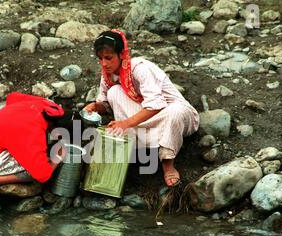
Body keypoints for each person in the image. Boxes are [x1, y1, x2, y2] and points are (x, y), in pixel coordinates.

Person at [83, 29, 199, 187]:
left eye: (108, 58)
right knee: (114, 92)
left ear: (121, 54)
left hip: (172, 113)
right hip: (144, 117)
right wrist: (95, 107)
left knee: (176, 111)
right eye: (101, 59)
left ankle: (167, 163)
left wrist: (125, 124)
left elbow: (156, 104)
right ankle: (134, 147)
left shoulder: (139, 68)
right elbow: (106, 105)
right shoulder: (107, 75)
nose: (104, 63)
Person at [0, 92, 66, 211]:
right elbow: (43, 175)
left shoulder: (41, 104)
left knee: (33, 152)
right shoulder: (33, 130)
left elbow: (12, 97)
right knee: (36, 167)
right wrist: (57, 158)